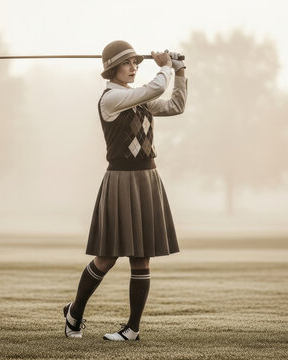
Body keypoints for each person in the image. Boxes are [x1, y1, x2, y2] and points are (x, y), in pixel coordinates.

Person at [63, 40, 188, 341]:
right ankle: (74, 314)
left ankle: (132, 329)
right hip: (121, 180)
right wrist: (166, 67)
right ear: (112, 69)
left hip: (147, 179)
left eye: (136, 63)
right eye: (127, 63)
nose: (134, 68)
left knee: (141, 258)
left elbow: (175, 105)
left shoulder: (134, 97)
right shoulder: (112, 98)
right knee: (106, 258)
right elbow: (156, 88)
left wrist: (180, 71)